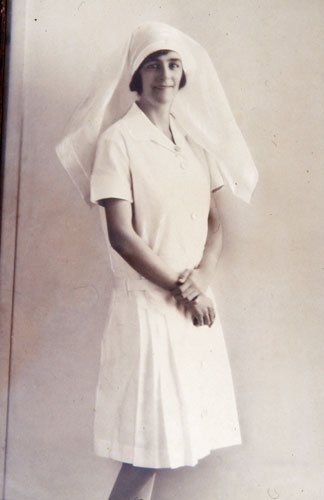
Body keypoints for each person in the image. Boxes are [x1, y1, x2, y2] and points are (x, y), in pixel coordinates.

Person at [56, 22, 258, 500]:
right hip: (149, 308)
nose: (163, 73)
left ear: (184, 74)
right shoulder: (118, 141)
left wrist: (202, 280)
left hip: (191, 309)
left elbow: (215, 224)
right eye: (152, 63)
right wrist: (182, 287)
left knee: (166, 446)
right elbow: (122, 237)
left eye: (172, 63)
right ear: (136, 74)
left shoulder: (193, 143)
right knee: (146, 449)